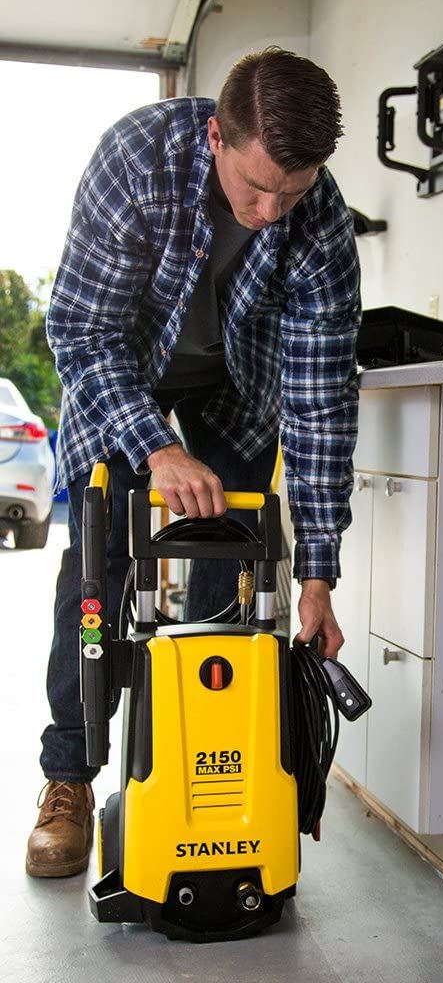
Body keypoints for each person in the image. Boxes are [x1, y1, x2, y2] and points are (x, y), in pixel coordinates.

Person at [26, 47, 361, 878]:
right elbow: (81, 330)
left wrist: (318, 572)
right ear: (216, 134)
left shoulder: (318, 223)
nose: (271, 211)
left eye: (293, 190)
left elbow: (320, 405)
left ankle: (199, 767)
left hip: (236, 392)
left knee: (232, 579)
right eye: (255, 188)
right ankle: (68, 778)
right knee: (95, 573)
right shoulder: (137, 162)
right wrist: (158, 448)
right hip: (125, 376)